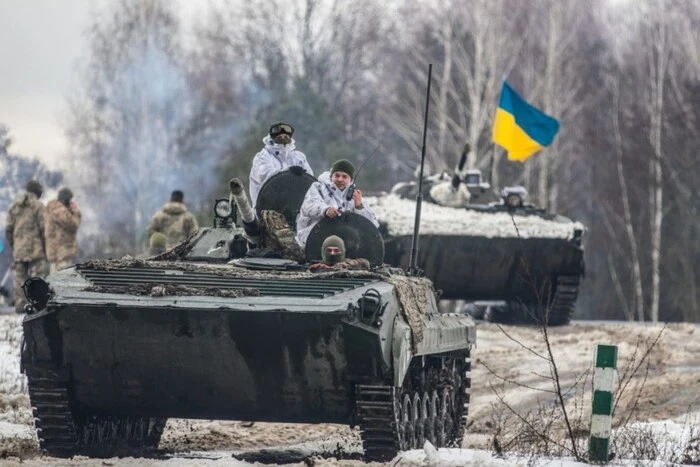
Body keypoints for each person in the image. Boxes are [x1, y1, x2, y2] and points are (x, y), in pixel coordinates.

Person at [295, 159, 379, 249]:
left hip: (345, 245)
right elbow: (309, 205)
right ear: (331, 176)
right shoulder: (318, 188)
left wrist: (359, 207)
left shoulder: (355, 197)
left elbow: (372, 225)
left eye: (344, 177)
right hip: (314, 239)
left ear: (350, 180)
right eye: (337, 175)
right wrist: (325, 210)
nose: (340, 179)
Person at [5, 180, 48, 313]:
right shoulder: (39, 206)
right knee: (38, 276)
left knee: (20, 278)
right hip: (36, 248)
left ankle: (20, 305)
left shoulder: (15, 207)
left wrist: (14, 245)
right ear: (37, 191)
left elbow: (8, 230)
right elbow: (44, 229)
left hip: (19, 248)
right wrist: (46, 247)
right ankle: (39, 303)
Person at [249, 121, 313, 207]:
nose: (283, 138)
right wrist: (289, 172)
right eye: (279, 136)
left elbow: (310, 181)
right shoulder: (262, 157)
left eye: (286, 136)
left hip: (295, 209)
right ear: (272, 138)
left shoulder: (299, 157)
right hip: (266, 210)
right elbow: (267, 178)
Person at [45, 188, 81, 273]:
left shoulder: (51, 208)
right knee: (63, 281)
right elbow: (73, 225)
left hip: (54, 252)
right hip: (62, 252)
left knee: (53, 281)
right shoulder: (60, 211)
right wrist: (75, 212)